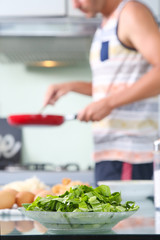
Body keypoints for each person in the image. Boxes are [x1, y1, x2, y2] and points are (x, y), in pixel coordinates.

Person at [43, 0, 160, 183]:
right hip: (108, 153)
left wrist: (108, 103)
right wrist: (71, 86)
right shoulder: (105, 25)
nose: (75, 5)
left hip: (129, 153)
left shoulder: (131, 14)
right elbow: (114, 87)